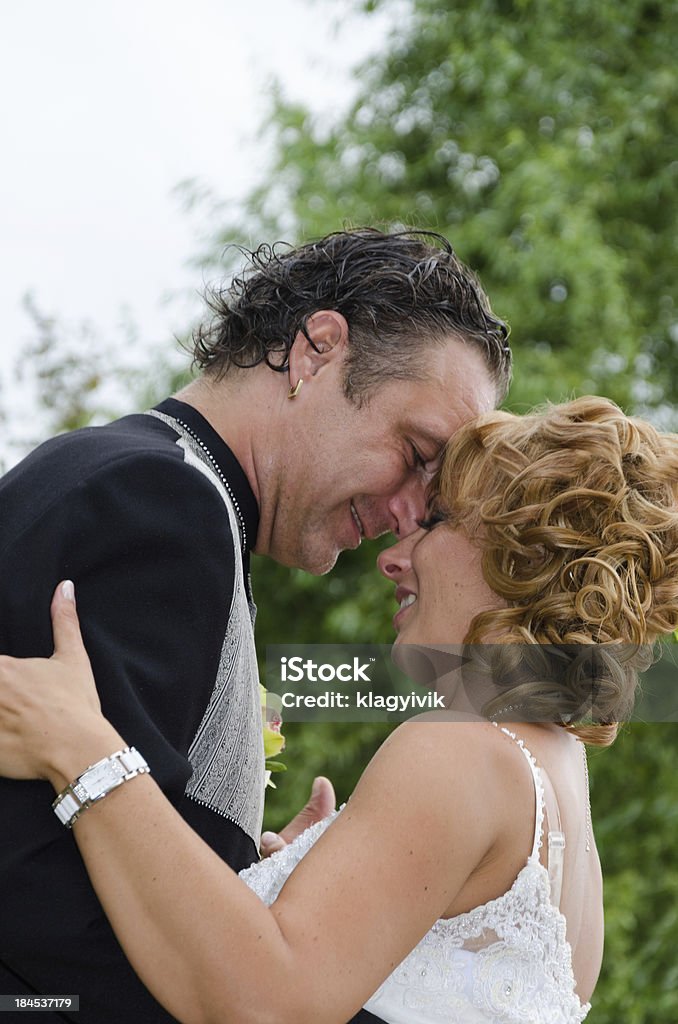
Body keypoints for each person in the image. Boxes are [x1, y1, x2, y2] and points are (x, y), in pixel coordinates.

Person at [1, 396, 677, 1024]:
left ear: (524, 555)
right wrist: (276, 891)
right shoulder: (562, 781)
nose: (396, 556)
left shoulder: (461, 750)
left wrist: (83, 751)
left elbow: (267, 1003)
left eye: (435, 522)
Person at [0, 228, 511, 1023]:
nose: (412, 513)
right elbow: (48, 925)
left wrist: (252, 883)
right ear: (316, 352)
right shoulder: (162, 504)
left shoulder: (161, 490)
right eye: (416, 452)